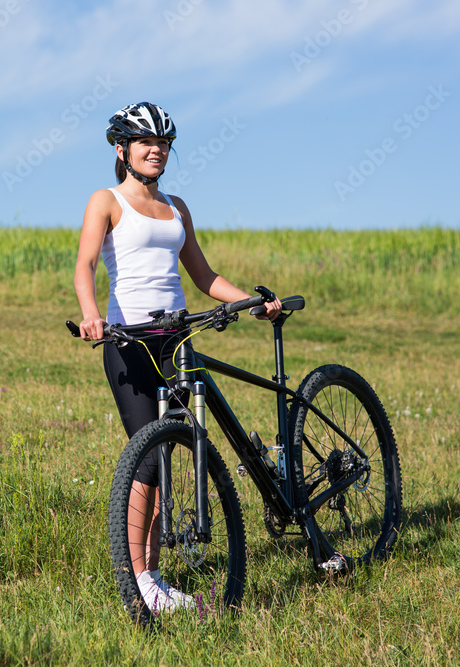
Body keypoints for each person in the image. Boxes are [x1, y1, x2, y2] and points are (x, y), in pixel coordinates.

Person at [73, 101, 282, 612]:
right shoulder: (106, 201)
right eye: (145, 142)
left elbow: (205, 278)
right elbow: (83, 268)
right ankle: (139, 581)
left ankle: (155, 579)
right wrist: (91, 314)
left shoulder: (177, 207)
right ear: (122, 149)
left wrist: (253, 302)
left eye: (163, 143)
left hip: (177, 339)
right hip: (129, 343)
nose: (156, 150)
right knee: (145, 458)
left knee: (168, 455)